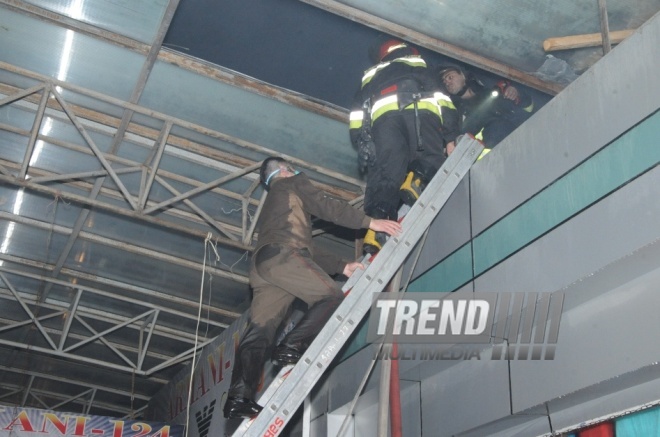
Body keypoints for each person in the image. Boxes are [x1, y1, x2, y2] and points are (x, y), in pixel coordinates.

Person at [223, 157, 402, 419]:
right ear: (284, 171)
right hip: (282, 256)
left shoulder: (274, 204)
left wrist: (342, 266)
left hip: (264, 266)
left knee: (259, 332)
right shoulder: (293, 182)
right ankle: (291, 346)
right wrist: (370, 222)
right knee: (330, 297)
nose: (295, 170)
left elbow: (304, 247)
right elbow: (326, 206)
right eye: (290, 167)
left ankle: (239, 397)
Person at [349, 39, 459, 254]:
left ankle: (376, 229)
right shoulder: (419, 64)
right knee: (427, 153)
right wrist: (451, 136)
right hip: (418, 110)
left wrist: (361, 140)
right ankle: (415, 180)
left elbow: (357, 112)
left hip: (383, 123)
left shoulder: (371, 74)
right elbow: (443, 99)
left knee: (386, 172)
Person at [438, 65, 535, 154]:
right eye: (444, 82)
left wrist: (517, 94)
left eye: (450, 77)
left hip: (528, 143)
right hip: (495, 159)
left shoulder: (491, 90)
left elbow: (529, 108)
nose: (447, 83)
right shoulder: (455, 112)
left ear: (462, 75)